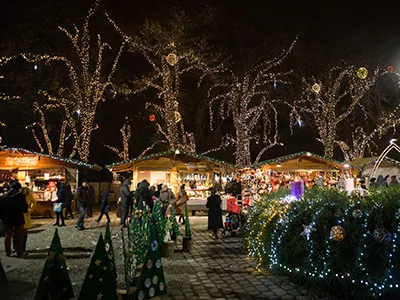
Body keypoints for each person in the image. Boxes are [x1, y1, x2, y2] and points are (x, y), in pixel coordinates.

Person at [0, 180, 28, 257]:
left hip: (7, 220)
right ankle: (19, 252)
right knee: (19, 237)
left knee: (8, 236)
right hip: (18, 219)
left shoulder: (3, 197)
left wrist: (2, 218)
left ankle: (8, 252)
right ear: (18, 188)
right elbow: (25, 209)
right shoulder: (21, 197)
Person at [18, 185, 36, 254]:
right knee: (24, 232)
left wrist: (30, 209)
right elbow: (34, 202)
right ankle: (22, 248)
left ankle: (18, 247)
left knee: (19, 232)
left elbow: (34, 202)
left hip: (21, 214)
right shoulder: (28, 196)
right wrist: (31, 209)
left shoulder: (19, 196)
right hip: (26, 214)